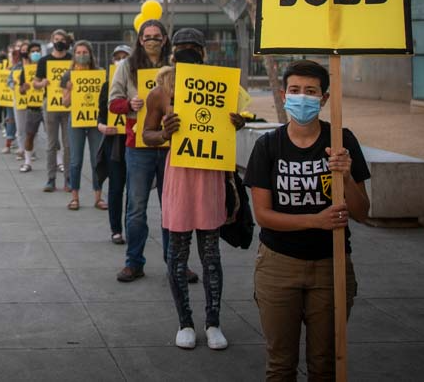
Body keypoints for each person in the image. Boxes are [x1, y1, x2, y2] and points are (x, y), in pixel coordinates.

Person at [245, 60, 370, 380]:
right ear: (285, 95)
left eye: (311, 91)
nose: (303, 97)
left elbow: (361, 211)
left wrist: (346, 174)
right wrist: (315, 221)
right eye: (296, 90)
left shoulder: (342, 141)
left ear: (324, 98)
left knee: (326, 361)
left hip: (332, 264)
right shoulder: (268, 146)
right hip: (278, 265)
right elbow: (264, 216)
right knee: (281, 364)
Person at [143, 29, 245, 351]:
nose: (188, 53)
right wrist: (163, 133)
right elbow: (146, 134)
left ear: (203, 52)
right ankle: (184, 322)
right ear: (173, 53)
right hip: (179, 178)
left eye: (194, 48)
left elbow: (235, 122)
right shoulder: (160, 92)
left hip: (211, 174)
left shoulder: (222, 86)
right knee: (178, 253)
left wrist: (237, 123)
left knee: (211, 255)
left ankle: (213, 322)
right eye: (183, 48)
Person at [109, 20, 185, 283]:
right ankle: (134, 262)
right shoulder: (126, 67)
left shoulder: (178, 67)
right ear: (139, 40)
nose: (151, 40)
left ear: (165, 39)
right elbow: (113, 103)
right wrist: (129, 104)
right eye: (147, 36)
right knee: (136, 207)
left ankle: (175, 263)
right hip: (138, 145)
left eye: (156, 36)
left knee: (172, 207)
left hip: (171, 145)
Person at [60, 40, 105, 211]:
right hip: (76, 121)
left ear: (91, 54)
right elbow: (65, 103)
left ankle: (98, 197)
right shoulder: (68, 75)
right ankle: (75, 197)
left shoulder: (100, 73)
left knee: (96, 160)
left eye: (84, 52)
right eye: (78, 52)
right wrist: (70, 90)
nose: (81, 55)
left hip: (95, 122)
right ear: (74, 55)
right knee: (75, 161)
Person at [98, 44, 131, 244]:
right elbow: (100, 115)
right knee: (116, 186)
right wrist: (102, 127)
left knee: (134, 191)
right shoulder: (107, 84)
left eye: (124, 57)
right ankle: (116, 229)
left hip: (135, 142)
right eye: (117, 57)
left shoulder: (141, 83)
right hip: (115, 143)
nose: (120, 61)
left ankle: (131, 228)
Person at [33, 29, 72, 191]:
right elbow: (35, 83)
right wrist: (43, 84)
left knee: (68, 144)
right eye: (56, 39)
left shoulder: (72, 60)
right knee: (51, 144)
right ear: (52, 41)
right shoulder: (44, 61)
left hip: (68, 104)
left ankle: (69, 178)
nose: (59, 42)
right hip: (51, 104)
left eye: (62, 39)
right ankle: (51, 179)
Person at [17, 41, 45, 174]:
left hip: (46, 105)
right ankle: (27, 162)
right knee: (30, 134)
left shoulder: (47, 66)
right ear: (28, 54)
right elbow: (21, 90)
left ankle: (59, 162)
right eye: (33, 51)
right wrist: (24, 87)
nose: (36, 53)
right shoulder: (25, 70)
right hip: (32, 106)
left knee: (53, 137)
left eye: (38, 50)